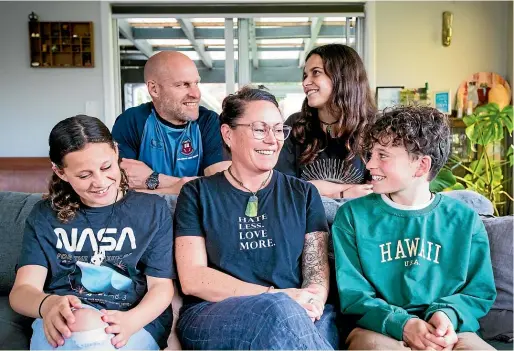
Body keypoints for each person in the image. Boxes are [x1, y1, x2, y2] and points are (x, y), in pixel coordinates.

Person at [174, 86, 337, 350]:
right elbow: (194, 278)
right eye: (260, 129)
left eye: (278, 129)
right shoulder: (196, 194)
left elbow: (316, 271)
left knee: (314, 323)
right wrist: (277, 297)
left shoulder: (304, 194)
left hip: (298, 307)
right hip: (216, 313)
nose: (273, 140)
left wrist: (313, 300)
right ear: (228, 134)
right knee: (278, 311)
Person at [332, 106, 497, 350]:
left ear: (421, 166)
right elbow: (354, 295)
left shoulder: (465, 220)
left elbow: (478, 291)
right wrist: (404, 324)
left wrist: (446, 317)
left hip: (450, 332)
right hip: (378, 329)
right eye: (371, 154)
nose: (369, 165)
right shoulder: (351, 217)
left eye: (383, 155)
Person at [9, 115, 175, 350]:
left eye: (106, 167)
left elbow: (161, 286)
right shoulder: (45, 215)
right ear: (60, 172)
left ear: (116, 151)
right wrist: (47, 305)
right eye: (84, 175)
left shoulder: (152, 210)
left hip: (132, 321)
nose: (100, 181)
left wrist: (131, 321)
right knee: (81, 324)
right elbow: (22, 291)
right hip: (64, 323)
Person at [112, 51, 229, 194]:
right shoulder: (131, 121)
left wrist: (153, 179)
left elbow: (222, 188)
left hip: (195, 214)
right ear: (154, 89)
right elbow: (121, 191)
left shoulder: (209, 121)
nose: (196, 94)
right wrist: (183, 187)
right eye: (183, 85)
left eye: (196, 83)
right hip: (148, 215)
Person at [276, 44, 376, 199]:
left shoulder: (374, 128)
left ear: (343, 76)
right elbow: (284, 185)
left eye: (316, 73)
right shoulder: (296, 125)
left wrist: (316, 188)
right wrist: (342, 192)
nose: (305, 83)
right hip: (307, 222)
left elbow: (376, 191)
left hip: (356, 222)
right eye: (304, 76)